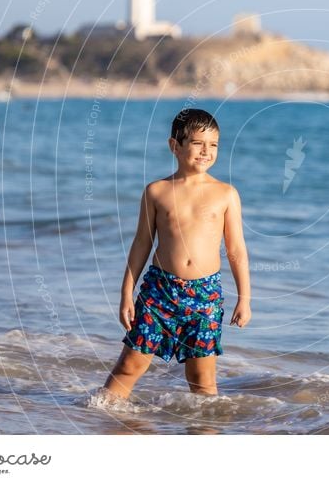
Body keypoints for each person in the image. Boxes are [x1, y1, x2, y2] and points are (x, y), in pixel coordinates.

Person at [101, 108, 251, 399]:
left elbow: (236, 250)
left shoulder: (226, 194)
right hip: (159, 290)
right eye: (197, 143)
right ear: (175, 146)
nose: (206, 151)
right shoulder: (156, 191)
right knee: (129, 365)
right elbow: (141, 244)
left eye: (214, 145)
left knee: (202, 379)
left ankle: (205, 433)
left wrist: (244, 299)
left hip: (205, 295)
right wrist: (126, 294)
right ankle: (100, 417)